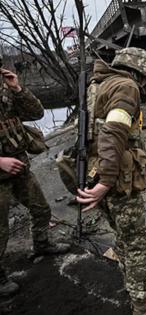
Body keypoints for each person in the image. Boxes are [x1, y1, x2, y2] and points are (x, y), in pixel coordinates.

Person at [76, 48, 146, 315]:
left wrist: (144, 164)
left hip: (97, 170)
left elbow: (116, 135)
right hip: (115, 179)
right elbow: (113, 133)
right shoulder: (126, 86)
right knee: (137, 242)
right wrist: (108, 180)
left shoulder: (98, 84)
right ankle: (144, 305)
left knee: (123, 236)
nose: (144, 85)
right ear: (139, 72)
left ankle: (133, 284)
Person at [0, 58, 70, 296]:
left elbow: (37, 112)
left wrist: (17, 88)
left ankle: (42, 245)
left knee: (40, 208)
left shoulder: (6, 89)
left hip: (19, 166)